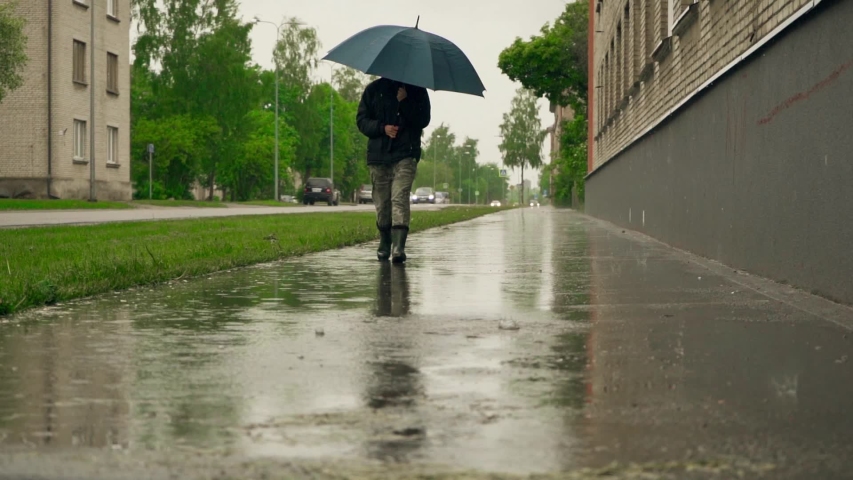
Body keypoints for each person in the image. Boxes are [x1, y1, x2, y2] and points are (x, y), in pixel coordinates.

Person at [357, 77, 431, 263]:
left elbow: (423, 120)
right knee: (382, 203)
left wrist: (405, 101)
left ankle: (398, 247)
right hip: (379, 156)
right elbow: (362, 120)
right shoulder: (373, 90)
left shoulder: (416, 89)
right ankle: (384, 241)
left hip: (406, 154)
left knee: (399, 197)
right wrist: (383, 128)